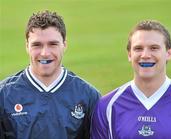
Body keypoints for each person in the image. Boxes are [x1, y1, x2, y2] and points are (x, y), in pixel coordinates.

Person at [0, 10, 100, 139]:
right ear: (26, 46)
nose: (45, 53)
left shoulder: (88, 96)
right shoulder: (4, 95)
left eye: (53, 44)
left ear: (64, 45)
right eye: (37, 45)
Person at [91, 20, 171, 139]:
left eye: (154, 48)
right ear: (129, 54)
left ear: (169, 53)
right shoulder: (107, 106)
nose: (145, 55)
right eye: (138, 48)